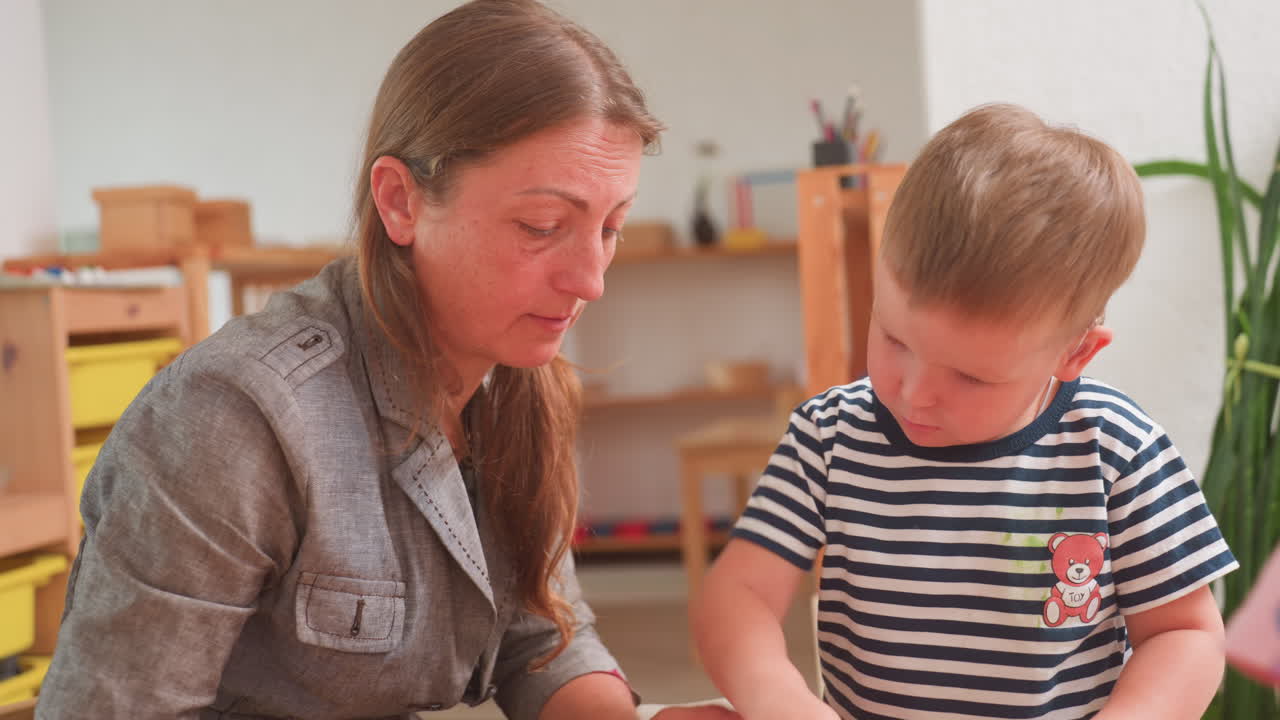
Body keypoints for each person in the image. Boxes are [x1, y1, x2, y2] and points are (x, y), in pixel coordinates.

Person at [36, 1, 737, 718]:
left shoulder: (518, 383)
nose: (591, 280)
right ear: (400, 201)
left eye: (611, 227)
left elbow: (541, 635)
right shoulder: (231, 420)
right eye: (542, 226)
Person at [691, 103, 1238, 720]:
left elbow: (1185, 635)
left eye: (973, 376)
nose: (914, 393)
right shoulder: (829, 436)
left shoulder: (1116, 451)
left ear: (1075, 353)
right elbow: (738, 596)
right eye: (894, 339)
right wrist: (779, 701)